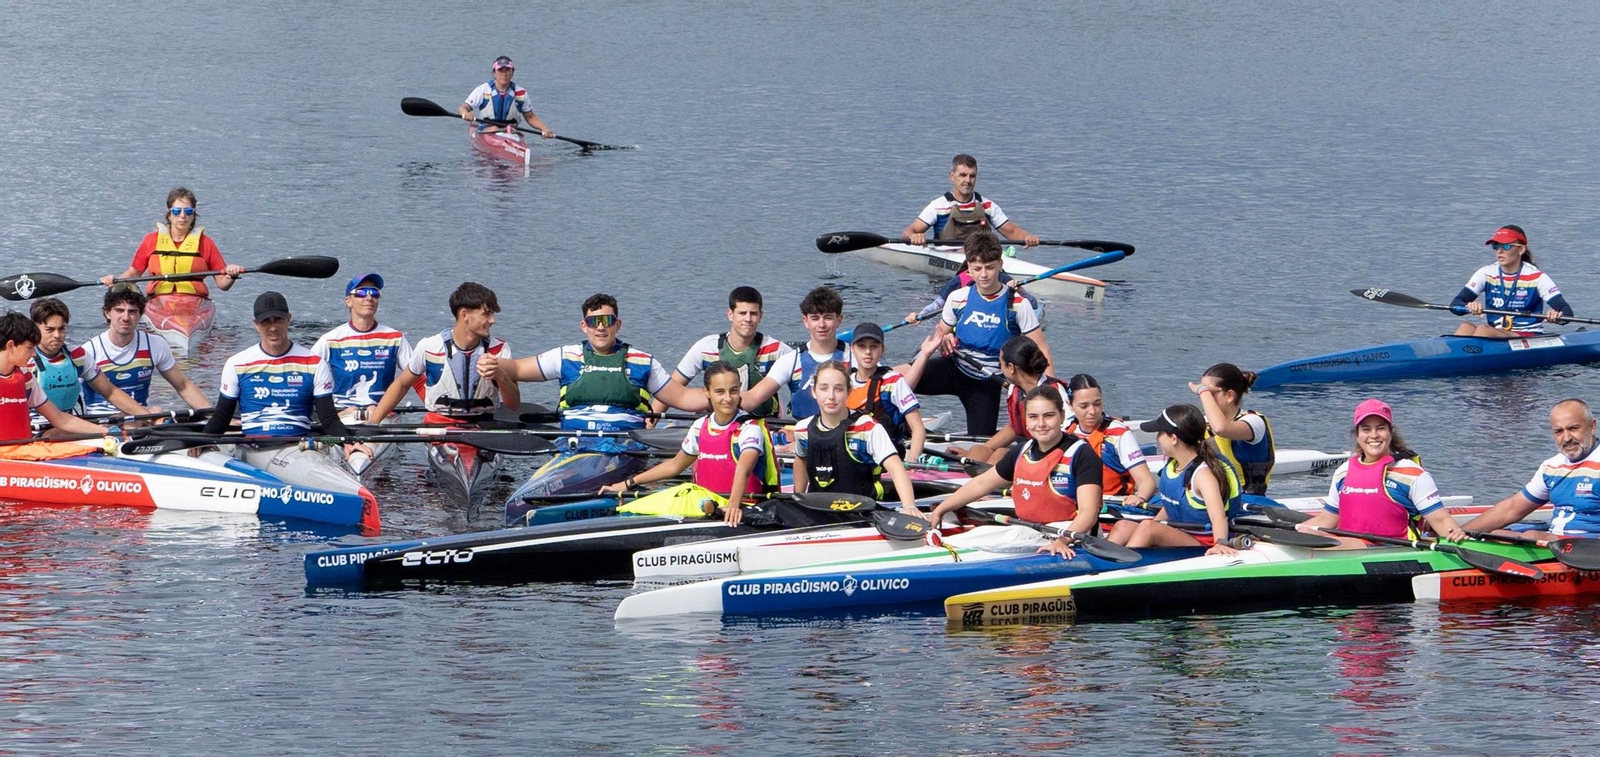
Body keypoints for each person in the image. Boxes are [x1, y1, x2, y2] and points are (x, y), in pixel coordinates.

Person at [926, 386, 1103, 558]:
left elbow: (1089, 513)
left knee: (994, 539)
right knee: (982, 534)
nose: (1041, 424)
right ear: (1025, 420)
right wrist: (941, 509)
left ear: (1062, 416)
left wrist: (1062, 541)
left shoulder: (1082, 455)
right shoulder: (1021, 452)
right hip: (1031, 531)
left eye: (1048, 416)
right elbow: (981, 483)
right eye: (1033, 417)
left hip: (1071, 537)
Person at [494, 293, 698, 439]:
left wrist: (723, 396)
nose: (600, 327)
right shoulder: (565, 357)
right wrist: (486, 362)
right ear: (584, 326)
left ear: (617, 325)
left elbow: (682, 398)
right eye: (593, 321)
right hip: (574, 444)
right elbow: (517, 369)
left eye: (607, 320)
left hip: (626, 446)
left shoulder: (642, 361)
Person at [599, 362, 781, 525]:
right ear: (707, 392)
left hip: (742, 506)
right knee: (632, 508)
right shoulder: (700, 426)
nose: (728, 398)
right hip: (705, 505)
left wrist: (733, 507)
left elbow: (744, 469)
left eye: (733, 391)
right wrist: (628, 483)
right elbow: (674, 466)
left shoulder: (749, 428)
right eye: (720, 392)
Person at [920, 234, 1049, 436]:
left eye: (990, 267)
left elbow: (1042, 350)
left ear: (1000, 264)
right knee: (897, 380)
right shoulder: (957, 298)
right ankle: (903, 426)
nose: (984, 275)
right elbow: (940, 332)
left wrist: (1050, 391)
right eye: (978, 268)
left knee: (980, 443)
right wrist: (944, 338)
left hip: (987, 383)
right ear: (969, 268)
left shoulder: (1017, 305)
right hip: (954, 368)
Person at [1299, 400, 1466, 545]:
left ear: (1389, 433)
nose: (1374, 435)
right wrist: (1293, 532)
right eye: (1366, 429)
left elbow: (1441, 520)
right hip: (1346, 545)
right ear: (1357, 435)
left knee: (1316, 539)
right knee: (1305, 533)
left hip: (1392, 549)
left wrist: (1457, 536)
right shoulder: (1344, 472)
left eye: (1380, 428)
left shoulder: (1412, 474)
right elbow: (1327, 519)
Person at [366, 282, 518, 426]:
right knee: (455, 454)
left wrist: (500, 375)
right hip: (440, 425)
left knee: (473, 454)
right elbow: (402, 384)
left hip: (484, 424)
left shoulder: (500, 349)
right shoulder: (429, 346)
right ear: (464, 314)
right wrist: (373, 424)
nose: (493, 321)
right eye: (486, 314)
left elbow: (513, 405)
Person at [202, 292, 349, 438]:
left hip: (297, 448)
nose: (272, 328)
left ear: (289, 319)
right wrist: (200, 443)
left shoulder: (315, 364)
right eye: (265, 321)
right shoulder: (237, 364)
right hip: (252, 448)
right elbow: (221, 417)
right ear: (256, 325)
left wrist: (349, 444)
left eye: (278, 320)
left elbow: (329, 420)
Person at [311, 273, 414, 472]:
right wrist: (334, 414)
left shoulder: (394, 338)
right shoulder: (330, 340)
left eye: (374, 293)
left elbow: (416, 378)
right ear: (348, 301)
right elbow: (305, 377)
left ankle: (359, 468)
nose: (369, 297)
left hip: (382, 415)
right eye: (362, 293)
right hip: (342, 415)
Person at [1106, 405, 1242, 556]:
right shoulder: (1173, 464)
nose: (1157, 438)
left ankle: (1121, 567)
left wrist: (1220, 543)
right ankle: (1099, 560)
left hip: (1204, 541)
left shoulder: (1203, 475)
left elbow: (1218, 516)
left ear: (1173, 438)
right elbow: (1173, 503)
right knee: (1123, 525)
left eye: (1160, 433)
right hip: (1180, 532)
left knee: (1147, 527)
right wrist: (1153, 525)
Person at [791, 360, 919, 514]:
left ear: (848, 392)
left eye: (838, 389)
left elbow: (896, 468)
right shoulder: (802, 429)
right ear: (814, 392)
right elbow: (801, 459)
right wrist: (798, 499)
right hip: (819, 512)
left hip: (861, 512)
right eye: (824, 389)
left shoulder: (868, 428)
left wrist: (909, 507)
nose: (831, 396)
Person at [1461, 398, 1600, 539]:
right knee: (1494, 534)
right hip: (1556, 545)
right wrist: (1460, 533)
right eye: (1558, 431)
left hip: (1587, 549)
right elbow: (1511, 509)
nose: (1566, 438)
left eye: (1573, 428)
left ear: (1592, 426)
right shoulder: (1551, 467)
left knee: (1532, 536)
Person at [656, 286, 791, 419]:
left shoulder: (778, 350)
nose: (748, 319)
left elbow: (805, 386)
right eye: (742, 313)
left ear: (761, 316)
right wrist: (650, 425)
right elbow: (671, 389)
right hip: (715, 420)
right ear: (730, 314)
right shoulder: (705, 347)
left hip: (764, 421)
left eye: (754, 314)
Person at [74, 286, 211, 416]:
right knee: (156, 413)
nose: (126, 318)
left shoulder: (155, 344)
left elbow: (183, 386)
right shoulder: (89, 351)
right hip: (101, 422)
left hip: (141, 419)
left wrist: (215, 418)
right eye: (119, 310)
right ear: (107, 313)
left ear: (140, 315)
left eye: (132, 312)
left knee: (158, 414)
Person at [944, 336, 1067, 463]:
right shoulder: (1014, 389)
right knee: (979, 450)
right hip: (1028, 447)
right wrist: (978, 452)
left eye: (1000, 364)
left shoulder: (1055, 392)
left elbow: (1068, 435)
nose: (999, 368)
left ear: (1011, 367)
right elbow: (1014, 427)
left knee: (1001, 454)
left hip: (1051, 453)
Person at [27, 299, 147, 427]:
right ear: (35, 328)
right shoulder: (26, 360)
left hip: (69, 424)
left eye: (61, 329)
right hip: (35, 428)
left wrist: (149, 416)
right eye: (50, 330)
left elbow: (110, 391)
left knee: (146, 415)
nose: (57, 335)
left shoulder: (78, 356)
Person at [100, 187, 244, 293]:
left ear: (193, 215)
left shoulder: (206, 244)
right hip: (158, 301)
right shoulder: (151, 240)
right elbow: (133, 274)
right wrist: (114, 282)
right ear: (169, 214)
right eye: (176, 211)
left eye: (188, 211)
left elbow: (222, 283)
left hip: (195, 303)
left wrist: (232, 274)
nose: (182, 216)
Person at [740, 286, 850, 421]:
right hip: (803, 435)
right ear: (805, 321)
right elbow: (752, 398)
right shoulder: (791, 361)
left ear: (839, 320)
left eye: (828, 318)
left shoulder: (854, 357)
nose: (821, 325)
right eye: (815, 318)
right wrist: (716, 400)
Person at [0, 312, 106, 450]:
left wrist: (104, 431)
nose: (33, 354)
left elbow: (59, 418)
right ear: (10, 345)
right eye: (30, 348)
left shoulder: (25, 378)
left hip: (22, 454)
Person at [1449, 225, 1573, 338]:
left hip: (1527, 335)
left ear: (1521, 250)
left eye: (1506, 246)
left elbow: (1567, 312)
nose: (1499, 251)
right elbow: (1455, 305)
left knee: (1483, 330)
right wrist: (1468, 308)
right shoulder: (1486, 273)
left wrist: (1556, 317)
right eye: (1496, 246)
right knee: (1465, 327)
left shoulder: (1537, 278)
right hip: (1496, 333)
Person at [1059, 374, 1157, 505]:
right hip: (1075, 504)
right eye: (1084, 406)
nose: (1092, 411)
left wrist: (1140, 498)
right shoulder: (1066, 431)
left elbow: (1146, 481)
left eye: (1097, 404)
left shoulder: (1118, 433)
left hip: (1113, 504)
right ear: (1069, 405)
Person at [902, 154, 1039, 246]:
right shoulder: (938, 206)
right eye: (962, 175)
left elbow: (1012, 231)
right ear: (952, 176)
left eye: (972, 176)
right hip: (948, 259)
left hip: (982, 261)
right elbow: (908, 232)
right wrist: (914, 236)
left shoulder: (987, 206)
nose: (967, 180)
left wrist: (1027, 237)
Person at [844, 322, 927, 463]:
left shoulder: (893, 381)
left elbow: (918, 429)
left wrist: (912, 461)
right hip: (850, 458)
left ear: (883, 349)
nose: (868, 352)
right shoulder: (845, 381)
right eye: (861, 346)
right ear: (852, 349)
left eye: (874, 346)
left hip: (886, 460)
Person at [1189, 362, 1275, 496]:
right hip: (1214, 497)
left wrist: (1202, 391)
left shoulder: (1254, 422)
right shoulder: (1204, 422)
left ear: (1229, 396)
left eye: (1208, 392)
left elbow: (1221, 428)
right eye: (1201, 393)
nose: (1203, 398)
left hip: (1247, 499)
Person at [457, 56, 553, 139]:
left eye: (507, 70)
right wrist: (465, 113)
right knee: (494, 129)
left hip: (511, 131)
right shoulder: (483, 90)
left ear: (512, 72)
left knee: (510, 130)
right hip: (487, 129)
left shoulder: (521, 92)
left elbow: (530, 116)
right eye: (500, 70)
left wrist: (544, 129)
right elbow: (463, 107)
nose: (504, 74)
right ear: (494, 73)